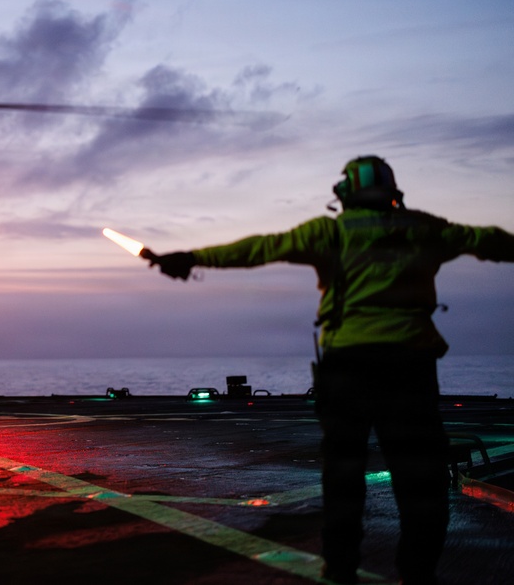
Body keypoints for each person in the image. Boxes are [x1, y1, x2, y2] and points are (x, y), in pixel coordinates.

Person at [148, 156, 514, 584]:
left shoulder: (328, 231)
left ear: (345, 193)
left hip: (347, 367)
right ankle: (419, 573)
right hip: (410, 366)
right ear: (392, 191)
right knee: (420, 479)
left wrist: (191, 257)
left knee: (343, 473)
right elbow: (488, 240)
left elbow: (258, 248)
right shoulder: (423, 228)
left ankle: (340, 569)